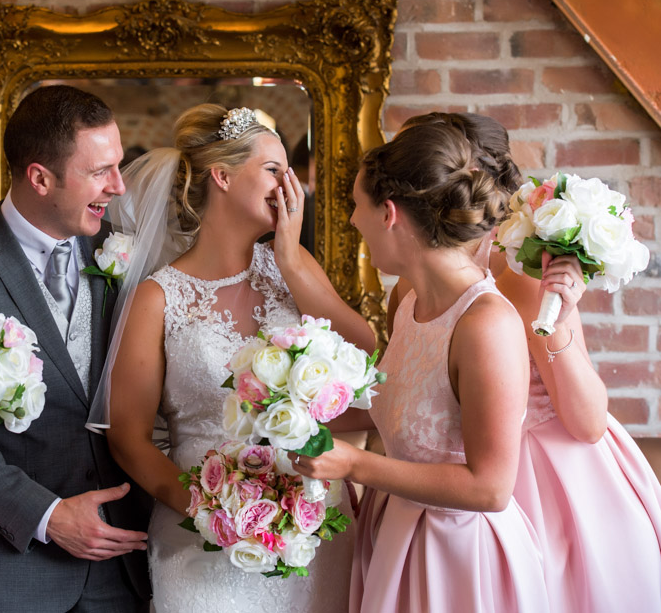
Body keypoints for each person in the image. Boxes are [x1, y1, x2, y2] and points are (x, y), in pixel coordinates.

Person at [100, 103, 376, 612]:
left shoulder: (292, 268)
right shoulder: (158, 298)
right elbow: (128, 439)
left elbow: (367, 357)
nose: (290, 186)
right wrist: (209, 511)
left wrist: (291, 260)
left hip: (311, 523)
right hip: (200, 534)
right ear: (221, 176)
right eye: (273, 170)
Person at [392, 112, 661, 612]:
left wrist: (557, 322)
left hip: (545, 474)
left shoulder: (519, 278)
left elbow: (585, 422)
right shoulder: (411, 284)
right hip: (448, 473)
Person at [293, 121, 549, 612]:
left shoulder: (485, 324)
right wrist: (280, 418)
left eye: (355, 205)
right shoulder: (408, 300)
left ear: (388, 214)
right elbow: (399, 408)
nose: (351, 221)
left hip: (456, 559)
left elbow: (491, 488)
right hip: (394, 535)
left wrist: (355, 464)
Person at [0, 85, 151, 613]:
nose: (118, 186)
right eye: (100, 172)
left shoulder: (124, 254)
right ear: (40, 178)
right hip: (15, 572)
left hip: (126, 566)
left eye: (119, 166)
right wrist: (48, 516)